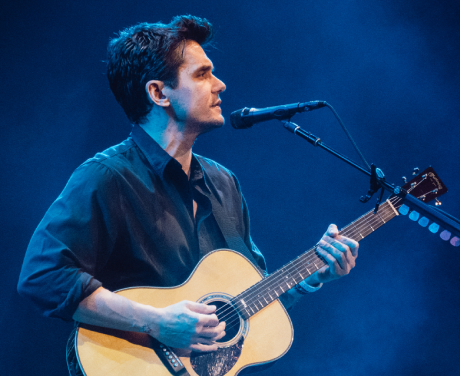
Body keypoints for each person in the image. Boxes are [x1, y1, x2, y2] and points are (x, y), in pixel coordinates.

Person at [17, 14, 358, 373]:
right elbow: (42, 276)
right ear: (158, 93)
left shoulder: (223, 182)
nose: (220, 84)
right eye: (202, 74)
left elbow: (245, 304)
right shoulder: (106, 177)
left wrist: (311, 277)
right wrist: (156, 322)